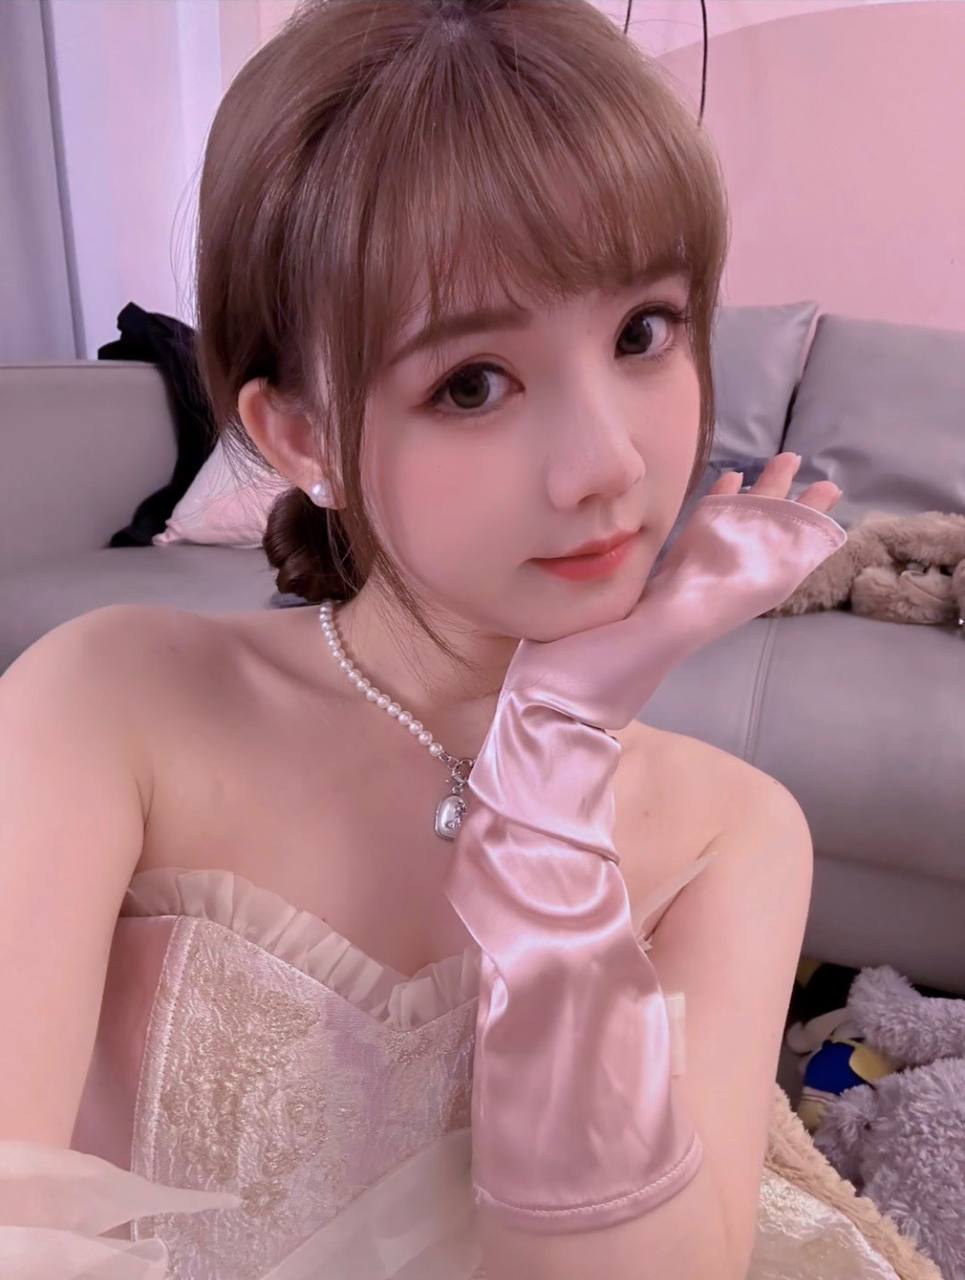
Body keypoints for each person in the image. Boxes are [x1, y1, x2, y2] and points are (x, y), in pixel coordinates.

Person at [0, 2, 852, 1277]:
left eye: (642, 331)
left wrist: (552, 762)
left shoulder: (736, 831)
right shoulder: (105, 703)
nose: (607, 463)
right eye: (470, 383)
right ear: (301, 436)